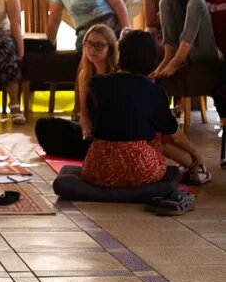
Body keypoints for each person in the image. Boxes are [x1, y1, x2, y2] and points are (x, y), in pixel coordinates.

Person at [81, 30, 209, 189]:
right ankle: (195, 166)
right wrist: (195, 153)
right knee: (158, 136)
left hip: (97, 169)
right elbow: (174, 135)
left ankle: (194, 167)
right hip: (139, 171)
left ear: (121, 53)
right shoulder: (153, 91)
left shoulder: (96, 83)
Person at [35, 24, 118, 161]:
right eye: (89, 44)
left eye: (99, 45)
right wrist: (86, 130)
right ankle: (91, 152)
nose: (92, 49)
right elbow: (84, 113)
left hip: (110, 133)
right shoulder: (85, 75)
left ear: (110, 49)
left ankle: (95, 153)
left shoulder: (116, 74)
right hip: (92, 133)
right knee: (44, 125)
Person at [152, 0, 226, 79]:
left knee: (196, 2)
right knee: (166, 0)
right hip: (187, 47)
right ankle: (169, 56)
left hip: (212, 51)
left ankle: (177, 60)